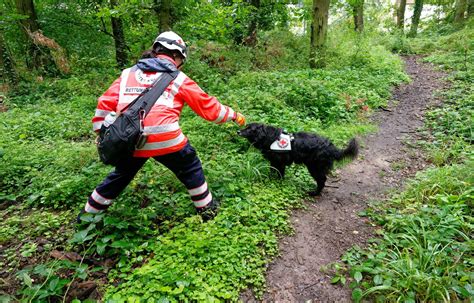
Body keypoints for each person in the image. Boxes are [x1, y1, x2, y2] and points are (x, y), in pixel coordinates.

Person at [79, 31, 246, 222]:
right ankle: (207, 211)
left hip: (131, 139)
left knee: (120, 176)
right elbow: (208, 107)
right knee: (191, 167)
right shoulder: (179, 78)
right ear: (177, 56)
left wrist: (101, 132)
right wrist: (233, 115)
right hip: (167, 139)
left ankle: (87, 217)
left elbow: (104, 103)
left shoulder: (127, 74)